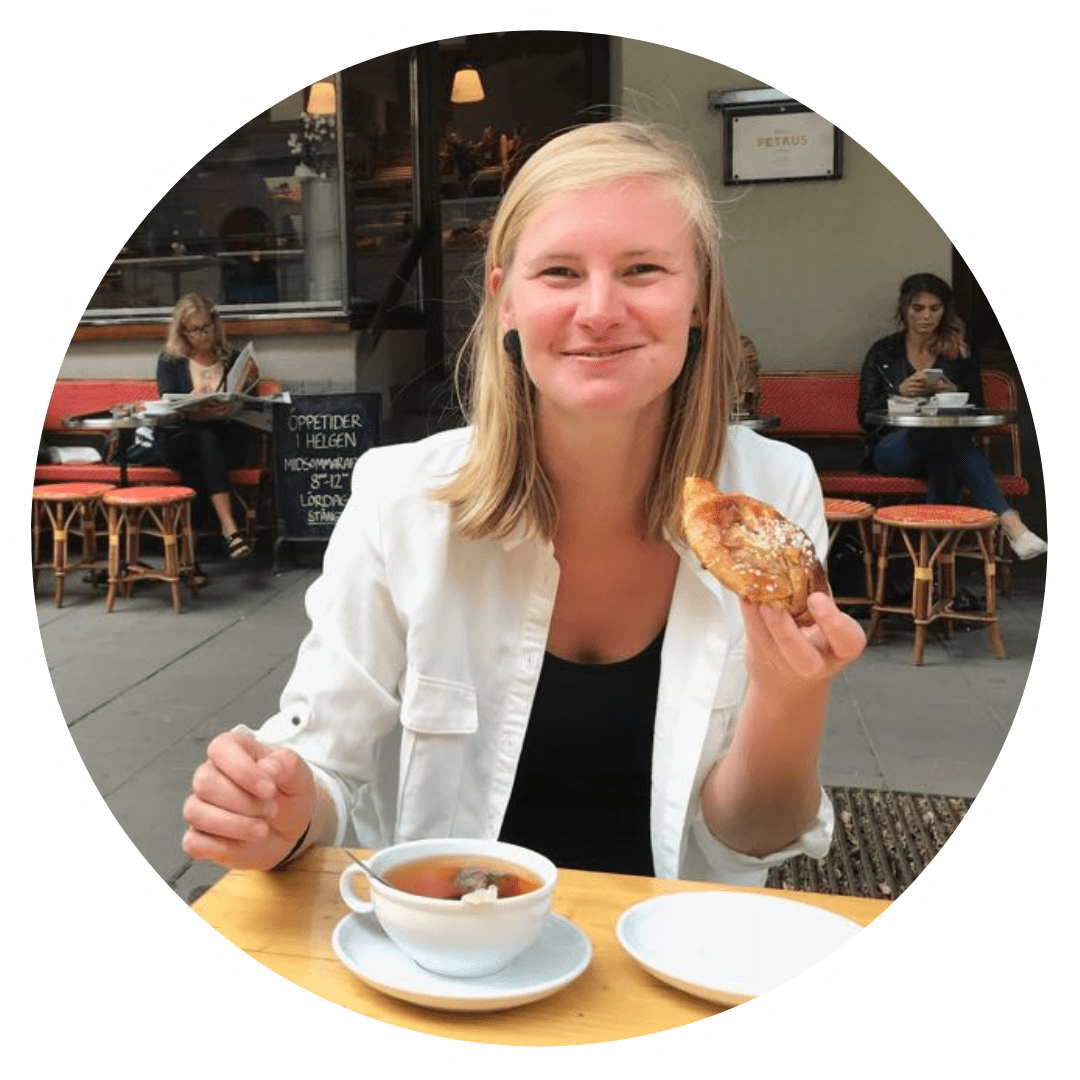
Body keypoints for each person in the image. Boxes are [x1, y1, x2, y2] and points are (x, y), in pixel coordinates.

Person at [182, 121, 865, 885]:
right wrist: (277, 810)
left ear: (699, 298)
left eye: (642, 269)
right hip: (445, 944)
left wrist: (789, 695)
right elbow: (324, 769)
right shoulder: (398, 497)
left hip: (672, 943)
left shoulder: (769, 495)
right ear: (506, 301)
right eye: (561, 272)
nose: (599, 310)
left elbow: (753, 837)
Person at [858, 273, 1047, 560]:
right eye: (918, 308)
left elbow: (977, 406)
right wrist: (898, 392)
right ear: (904, 309)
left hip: (945, 448)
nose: (926, 316)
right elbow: (864, 413)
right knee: (946, 441)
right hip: (894, 449)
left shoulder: (958, 352)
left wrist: (953, 391)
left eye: (935, 308)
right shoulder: (883, 352)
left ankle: (930, 566)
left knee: (944, 458)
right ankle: (1010, 522)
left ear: (945, 311)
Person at [153, 294, 254, 561]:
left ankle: (188, 559)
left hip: (224, 440)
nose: (202, 335)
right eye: (194, 329)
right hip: (180, 438)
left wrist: (232, 404)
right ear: (182, 331)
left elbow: (247, 401)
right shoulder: (170, 361)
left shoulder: (232, 358)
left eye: (206, 327)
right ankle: (229, 528)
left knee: (203, 450)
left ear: (215, 325)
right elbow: (169, 406)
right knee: (203, 438)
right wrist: (195, 402)